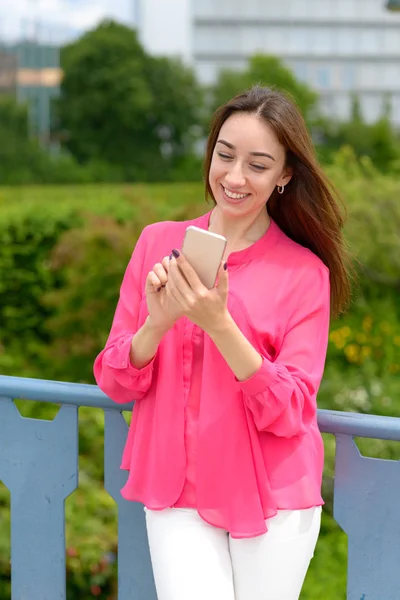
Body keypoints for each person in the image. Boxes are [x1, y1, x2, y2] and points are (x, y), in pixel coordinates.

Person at [94, 85, 352, 600]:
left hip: (272, 494)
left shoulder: (305, 273)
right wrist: (158, 323)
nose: (233, 177)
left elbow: (293, 410)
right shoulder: (154, 243)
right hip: (174, 485)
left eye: (257, 165)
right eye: (224, 155)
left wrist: (219, 323)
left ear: (284, 176)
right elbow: (115, 379)